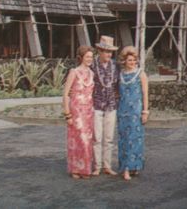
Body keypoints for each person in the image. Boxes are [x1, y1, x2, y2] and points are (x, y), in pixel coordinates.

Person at [116, 46, 149, 181]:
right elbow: (118, 93)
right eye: (129, 60)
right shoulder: (121, 74)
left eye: (134, 60)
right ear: (124, 61)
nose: (132, 62)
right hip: (123, 111)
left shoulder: (141, 74)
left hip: (136, 112)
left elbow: (145, 94)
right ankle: (125, 168)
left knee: (135, 139)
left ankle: (134, 166)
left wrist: (145, 111)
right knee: (124, 140)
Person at [62, 46, 95, 179]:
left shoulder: (92, 73)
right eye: (87, 57)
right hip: (76, 111)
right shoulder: (74, 72)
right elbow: (65, 94)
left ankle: (85, 169)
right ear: (81, 57)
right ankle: (75, 169)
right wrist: (67, 114)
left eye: (91, 57)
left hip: (88, 111)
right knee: (77, 140)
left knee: (87, 141)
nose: (90, 59)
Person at [91, 35, 120, 176]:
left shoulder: (115, 65)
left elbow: (118, 85)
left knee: (108, 138)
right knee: (97, 137)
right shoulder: (92, 64)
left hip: (111, 105)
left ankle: (107, 166)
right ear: (100, 51)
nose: (108, 54)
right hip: (96, 104)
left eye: (110, 52)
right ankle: (97, 166)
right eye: (106, 51)